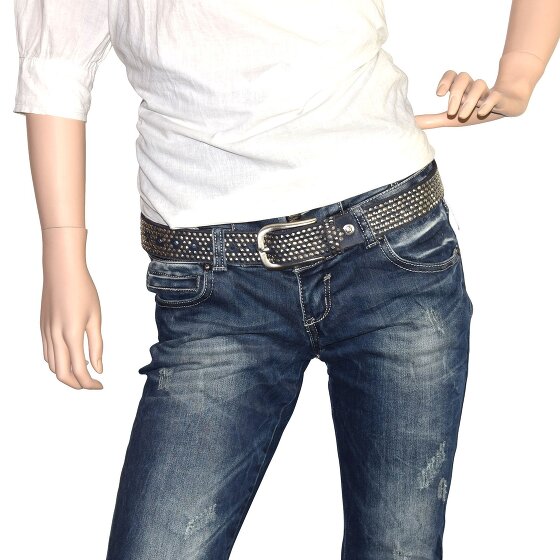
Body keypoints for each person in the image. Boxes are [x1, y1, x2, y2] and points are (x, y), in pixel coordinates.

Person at [13, 1, 559, 558]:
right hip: (215, 281)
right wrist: (62, 253)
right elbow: (56, 67)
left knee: (399, 548)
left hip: (390, 246)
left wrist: (519, 75)